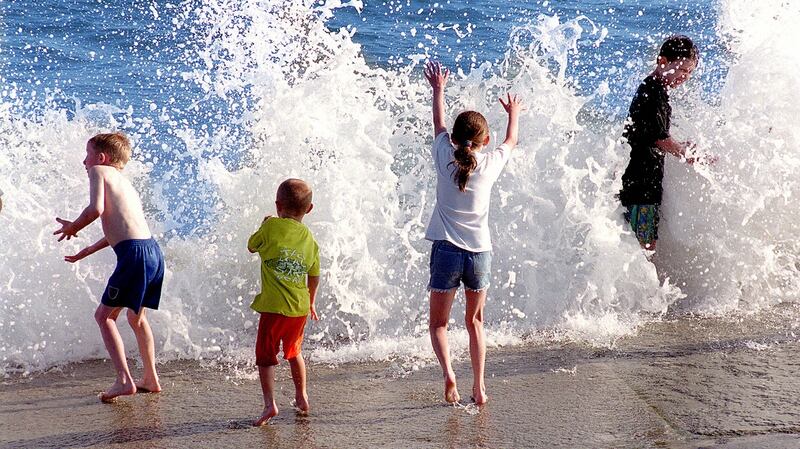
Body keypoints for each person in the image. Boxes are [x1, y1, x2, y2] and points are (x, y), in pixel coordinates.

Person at [423, 60, 522, 406]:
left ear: (453, 138)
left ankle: (449, 374)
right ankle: (479, 388)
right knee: (475, 322)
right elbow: (512, 139)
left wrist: (438, 89)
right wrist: (513, 111)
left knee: (439, 324)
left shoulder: (442, 155)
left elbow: (437, 123)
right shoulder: (491, 163)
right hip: (480, 253)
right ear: (485, 141)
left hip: (447, 251)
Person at [54, 132, 165, 402]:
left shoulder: (99, 171)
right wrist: (88, 250)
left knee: (104, 317)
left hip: (133, 256)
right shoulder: (124, 182)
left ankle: (124, 380)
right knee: (136, 318)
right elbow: (124, 228)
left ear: (101, 158)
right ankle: (150, 378)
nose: (84, 161)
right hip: (151, 252)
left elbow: (95, 209)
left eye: (87, 155)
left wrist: (73, 227)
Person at [619, 35, 711, 252]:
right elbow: (660, 139)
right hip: (640, 182)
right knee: (645, 245)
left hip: (642, 178)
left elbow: (653, 135)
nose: (684, 77)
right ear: (662, 61)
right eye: (681, 70)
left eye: (689, 73)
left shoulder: (655, 89)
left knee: (642, 243)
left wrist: (680, 145)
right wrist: (689, 156)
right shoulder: (653, 92)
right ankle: (638, 285)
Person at [247, 178, 320, 426]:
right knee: (294, 353)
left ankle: (270, 405)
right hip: (299, 309)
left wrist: (264, 224)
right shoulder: (309, 238)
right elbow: (314, 274)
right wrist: (311, 302)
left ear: (277, 205)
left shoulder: (271, 227)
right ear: (309, 210)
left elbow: (251, 246)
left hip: (273, 308)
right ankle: (302, 396)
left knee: (266, 358)